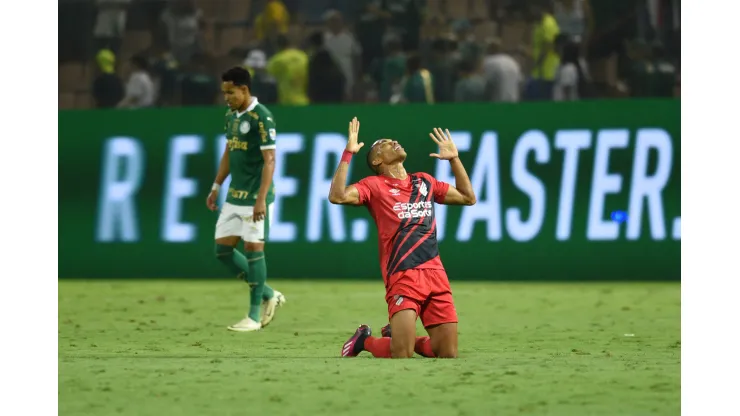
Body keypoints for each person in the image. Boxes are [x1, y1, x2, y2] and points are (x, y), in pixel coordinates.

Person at [329, 118, 477, 358]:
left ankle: (397, 333)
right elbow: (337, 196)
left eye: (393, 141)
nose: (394, 142)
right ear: (377, 160)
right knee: (401, 353)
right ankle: (364, 341)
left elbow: (468, 197)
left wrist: (454, 159)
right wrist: (348, 153)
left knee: (447, 352)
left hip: (435, 273)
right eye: (385, 144)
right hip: (403, 274)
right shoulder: (374, 186)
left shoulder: (424, 181)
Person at [206, 67, 286, 332]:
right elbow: (229, 152)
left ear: (244, 89)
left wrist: (261, 199)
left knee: (254, 249)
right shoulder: (230, 116)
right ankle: (269, 293)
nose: (226, 97)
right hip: (234, 196)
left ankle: (253, 316)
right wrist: (217, 185)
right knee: (223, 251)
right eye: (224, 93)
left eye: (230, 92)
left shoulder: (262, 117)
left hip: (256, 197)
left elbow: (270, 160)